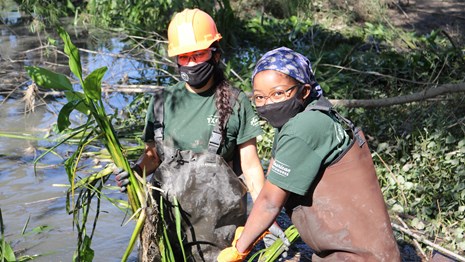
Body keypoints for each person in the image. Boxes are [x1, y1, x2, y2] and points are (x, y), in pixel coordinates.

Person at [115, 9, 287, 262]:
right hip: (168, 221)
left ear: (215, 52)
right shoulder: (163, 101)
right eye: (185, 57)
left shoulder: (236, 102)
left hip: (220, 230)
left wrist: (267, 219)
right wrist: (135, 171)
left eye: (199, 54)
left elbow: (251, 168)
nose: (193, 63)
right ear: (176, 59)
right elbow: (153, 156)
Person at [218, 47, 401, 261]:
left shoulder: (304, 127)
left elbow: (270, 202)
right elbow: (273, 181)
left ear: (304, 91)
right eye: (259, 97)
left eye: (278, 93)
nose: (268, 103)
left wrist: (240, 248)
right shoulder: (312, 113)